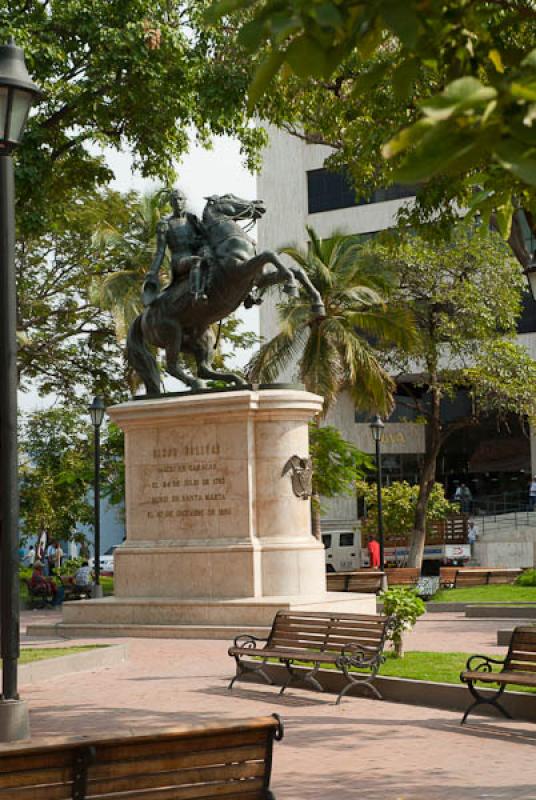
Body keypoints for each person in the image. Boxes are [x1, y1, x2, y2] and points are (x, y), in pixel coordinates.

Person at [142, 188, 211, 306]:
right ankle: (196, 294)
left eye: (180, 199)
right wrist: (152, 273)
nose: (178, 202)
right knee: (196, 261)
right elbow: (160, 252)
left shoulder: (192, 219)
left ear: (185, 201)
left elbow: (207, 237)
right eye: (175, 200)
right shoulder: (165, 224)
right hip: (179, 260)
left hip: (195, 253)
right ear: (171, 204)